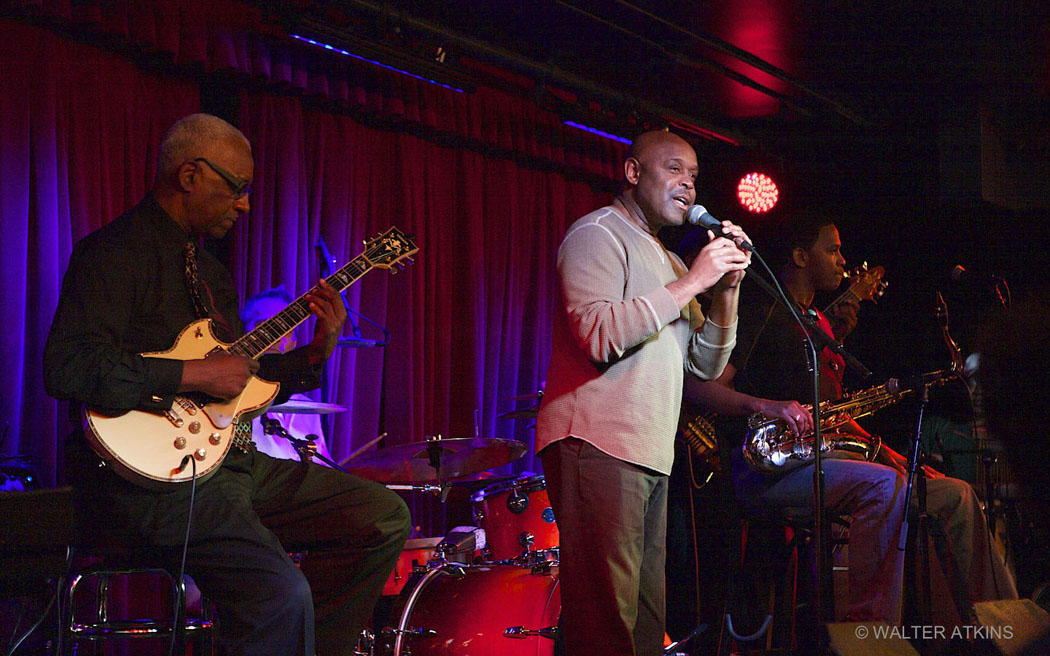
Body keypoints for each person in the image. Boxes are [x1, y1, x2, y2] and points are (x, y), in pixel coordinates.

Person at [44, 113, 411, 655]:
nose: (245, 205)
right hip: (153, 483)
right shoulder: (113, 252)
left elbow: (240, 383)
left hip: (233, 467)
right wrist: (189, 373)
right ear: (190, 175)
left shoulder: (212, 275)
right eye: (237, 188)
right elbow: (67, 366)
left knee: (382, 516)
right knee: (280, 596)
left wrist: (316, 351)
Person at [685, 210, 1016, 625]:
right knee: (884, 487)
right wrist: (764, 405)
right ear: (802, 257)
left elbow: (834, 415)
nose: (844, 261)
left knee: (955, 495)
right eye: (833, 250)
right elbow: (700, 388)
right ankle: (869, 634)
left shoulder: (817, 323)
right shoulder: (762, 312)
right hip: (762, 468)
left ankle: (990, 628)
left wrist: (888, 453)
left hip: (819, 461)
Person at [536, 130, 752, 655]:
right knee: (604, 618)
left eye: (695, 176)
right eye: (675, 169)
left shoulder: (673, 263)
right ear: (633, 173)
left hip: (650, 453)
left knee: (645, 620)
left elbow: (703, 365)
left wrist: (726, 291)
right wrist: (695, 282)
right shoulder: (597, 233)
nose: (689, 185)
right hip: (597, 443)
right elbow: (598, 334)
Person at [241, 287, 337, 466]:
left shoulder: (307, 408)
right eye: (263, 326)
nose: (274, 337)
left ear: (295, 342)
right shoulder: (228, 397)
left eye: (285, 329)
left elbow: (321, 463)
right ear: (245, 333)